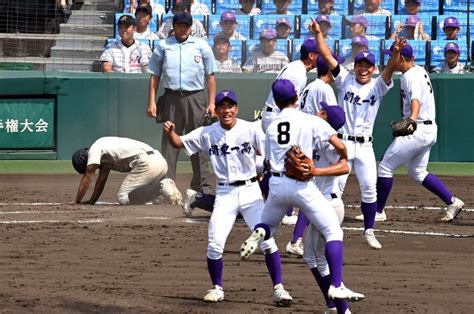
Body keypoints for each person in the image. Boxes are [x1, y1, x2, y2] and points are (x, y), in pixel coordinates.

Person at [240, 79, 364, 306]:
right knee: (333, 235)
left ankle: (259, 230)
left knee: (269, 226)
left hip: (278, 186)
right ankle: (337, 287)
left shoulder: (271, 125)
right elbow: (340, 149)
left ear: (276, 102)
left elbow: (270, 158)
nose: (320, 111)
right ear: (296, 97)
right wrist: (341, 153)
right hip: (306, 190)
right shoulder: (312, 123)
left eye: (323, 111)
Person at [163, 90, 292, 306]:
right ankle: (217, 288)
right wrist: (170, 132)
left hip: (251, 191)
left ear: (236, 109)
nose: (227, 110)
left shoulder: (251, 129)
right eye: (222, 106)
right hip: (225, 193)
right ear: (217, 110)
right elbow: (178, 143)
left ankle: (279, 289)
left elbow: (268, 156)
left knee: (267, 242)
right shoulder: (207, 132)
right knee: (214, 244)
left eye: (230, 106)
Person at [311, 18, 400, 250]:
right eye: (359, 64)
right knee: (333, 190)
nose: (362, 68)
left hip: (365, 147)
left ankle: (369, 231)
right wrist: (319, 34)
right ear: (355, 66)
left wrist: (395, 54)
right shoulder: (344, 79)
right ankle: (328, 230)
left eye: (367, 66)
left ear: (372, 69)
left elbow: (390, 69)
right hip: (343, 143)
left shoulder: (378, 86)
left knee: (370, 189)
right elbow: (327, 55)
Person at [375, 41, 465, 224]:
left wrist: (411, 120)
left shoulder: (410, 76)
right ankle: (452, 202)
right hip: (429, 129)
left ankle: (378, 211)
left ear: (400, 58)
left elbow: (416, 100)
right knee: (417, 171)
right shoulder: (418, 71)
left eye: (393, 55)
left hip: (418, 128)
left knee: (385, 166)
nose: (390, 59)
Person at [147, 11, 217, 197]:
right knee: (169, 142)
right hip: (170, 97)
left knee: (198, 141)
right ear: (174, 26)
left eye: (186, 26)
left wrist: (211, 103)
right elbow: (154, 75)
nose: (183, 28)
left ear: (191, 27)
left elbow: (210, 76)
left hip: (195, 97)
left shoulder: (201, 46)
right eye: (180, 25)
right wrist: (152, 101)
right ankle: (165, 186)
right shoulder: (163, 46)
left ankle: (202, 186)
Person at [286, 54, 342, 258]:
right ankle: (301, 239)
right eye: (335, 67)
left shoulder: (310, 85)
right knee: (320, 194)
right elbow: (335, 118)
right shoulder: (324, 88)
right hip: (319, 142)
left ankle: (297, 237)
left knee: (312, 192)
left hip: (307, 140)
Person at [303, 103, 352, 314]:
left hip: (328, 204)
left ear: (323, 116)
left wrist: (317, 171)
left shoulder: (331, 144)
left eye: (321, 110)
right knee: (310, 257)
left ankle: (342, 309)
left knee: (319, 259)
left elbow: (345, 166)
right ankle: (333, 305)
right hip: (321, 204)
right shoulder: (313, 137)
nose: (317, 111)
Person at [71, 136, 181, 206]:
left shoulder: (95, 149)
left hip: (148, 163)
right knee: (154, 201)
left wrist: (77, 201)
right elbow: (101, 180)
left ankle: (160, 188)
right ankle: (162, 195)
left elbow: (88, 176)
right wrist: (92, 201)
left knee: (123, 197)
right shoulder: (104, 149)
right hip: (159, 160)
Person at [260, 36, 318, 132]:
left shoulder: (296, 66)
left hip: (274, 115)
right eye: (320, 54)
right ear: (311, 55)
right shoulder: (298, 73)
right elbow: (289, 105)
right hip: (276, 117)